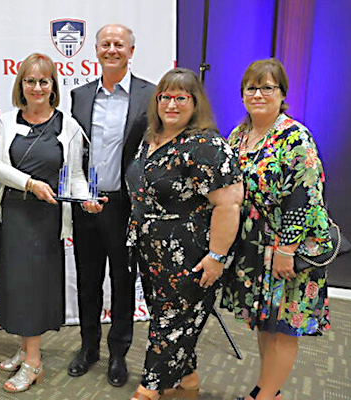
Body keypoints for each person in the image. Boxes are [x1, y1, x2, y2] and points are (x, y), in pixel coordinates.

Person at [83, 68, 243, 400]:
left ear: (195, 102)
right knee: (170, 320)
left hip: (191, 256)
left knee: (168, 326)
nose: (171, 104)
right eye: (164, 97)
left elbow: (228, 205)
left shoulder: (207, 145)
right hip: (152, 256)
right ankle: (187, 383)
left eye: (180, 97)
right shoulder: (149, 138)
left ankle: (149, 389)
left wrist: (216, 257)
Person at [221, 59, 332, 400]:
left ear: (282, 94)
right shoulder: (239, 134)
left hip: (290, 246)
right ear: (242, 94)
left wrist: (286, 249)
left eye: (267, 87)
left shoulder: (296, 136)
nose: (258, 94)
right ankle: (269, 390)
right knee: (265, 320)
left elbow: (306, 196)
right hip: (254, 244)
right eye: (251, 88)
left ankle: (264, 395)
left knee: (285, 325)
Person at [0, 53, 91, 393]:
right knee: (18, 287)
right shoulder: (7, 121)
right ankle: (25, 347)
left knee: (34, 290)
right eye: (29, 81)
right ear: (21, 85)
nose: (36, 87)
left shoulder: (69, 126)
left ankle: (33, 363)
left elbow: (73, 176)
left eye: (43, 81)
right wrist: (30, 183)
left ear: (53, 87)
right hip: (15, 215)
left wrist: (85, 198)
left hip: (46, 222)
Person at [68, 23, 156, 387]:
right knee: (88, 280)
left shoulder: (150, 95)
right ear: (97, 50)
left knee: (123, 280)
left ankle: (118, 352)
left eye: (119, 44)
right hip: (85, 202)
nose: (112, 49)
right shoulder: (79, 95)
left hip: (125, 205)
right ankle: (89, 348)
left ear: (131, 51)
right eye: (105, 44)